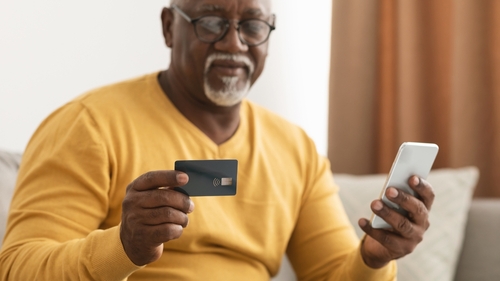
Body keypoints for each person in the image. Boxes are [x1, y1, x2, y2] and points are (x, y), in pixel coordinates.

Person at [0, 0, 434, 280]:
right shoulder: (88, 125)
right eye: (211, 22)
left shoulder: (295, 149)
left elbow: (333, 275)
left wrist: (374, 259)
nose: (234, 43)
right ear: (170, 27)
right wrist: (124, 245)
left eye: (252, 25)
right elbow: (18, 269)